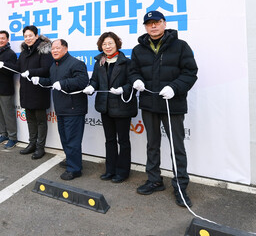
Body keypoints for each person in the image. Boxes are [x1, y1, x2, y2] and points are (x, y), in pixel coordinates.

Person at [129, 10, 198, 207]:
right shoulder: (138, 49)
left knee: (177, 147)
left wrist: (174, 87)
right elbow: (132, 71)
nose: (153, 26)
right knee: (152, 144)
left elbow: (190, 72)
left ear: (164, 23)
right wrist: (136, 80)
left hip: (172, 105)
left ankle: (180, 187)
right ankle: (154, 180)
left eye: (157, 22)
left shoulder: (180, 46)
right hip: (149, 104)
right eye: (149, 23)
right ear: (145, 27)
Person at [84, 32, 137, 183]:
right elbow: (95, 80)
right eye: (104, 44)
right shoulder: (99, 62)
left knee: (123, 141)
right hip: (105, 107)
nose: (107, 47)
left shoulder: (126, 62)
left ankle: (123, 172)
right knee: (110, 140)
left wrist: (123, 89)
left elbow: (132, 82)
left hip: (122, 107)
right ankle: (110, 170)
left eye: (110, 43)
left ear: (117, 44)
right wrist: (91, 87)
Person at [33, 39, 88, 180]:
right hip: (61, 109)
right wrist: (39, 80)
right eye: (53, 48)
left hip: (74, 109)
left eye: (58, 48)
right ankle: (71, 160)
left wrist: (63, 83)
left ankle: (74, 169)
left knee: (72, 140)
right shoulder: (54, 65)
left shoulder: (76, 63)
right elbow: (52, 83)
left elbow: (82, 81)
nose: (54, 51)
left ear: (65, 48)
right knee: (65, 138)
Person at [16, 25, 53, 156]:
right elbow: (16, 67)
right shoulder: (24, 52)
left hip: (39, 91)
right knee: (30, 120)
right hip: (26, 91)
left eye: (30, 35)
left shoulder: (44, 50)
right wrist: (1, 63)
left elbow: (47, 69)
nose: (28, 38)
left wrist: (30, 72)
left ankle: (40, 147)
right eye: (25, 36)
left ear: (36, 36)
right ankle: (32, 144)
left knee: (41, 121)